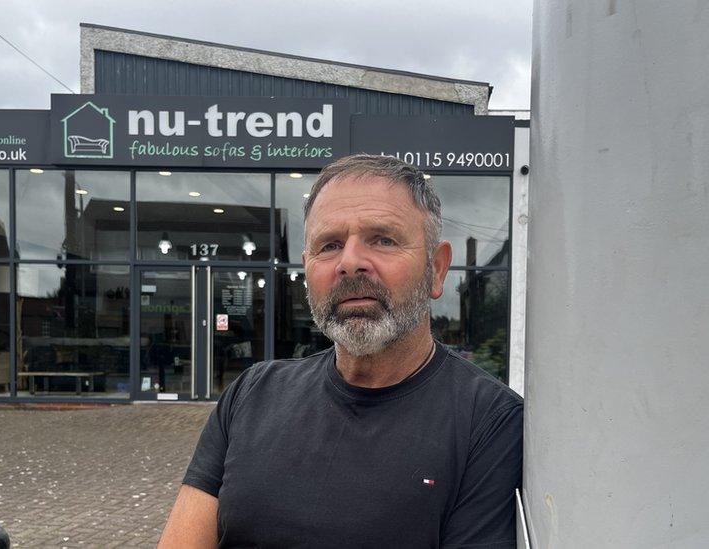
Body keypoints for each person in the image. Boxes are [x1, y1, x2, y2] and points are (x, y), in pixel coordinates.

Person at [159, 154, 523, 548]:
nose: (350, 263)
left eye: (383, 239)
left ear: (436, 269)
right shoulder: (251, 395)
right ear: (306, 270)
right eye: (329, 245)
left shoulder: (489, 424)